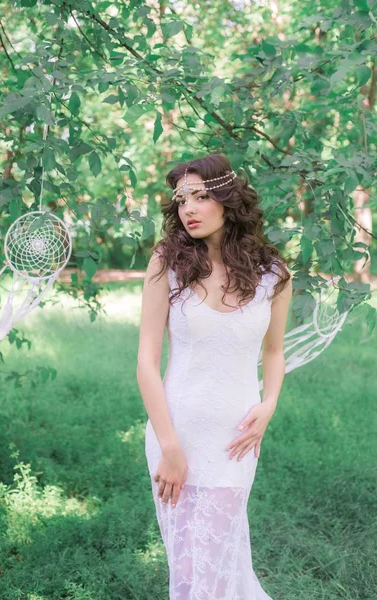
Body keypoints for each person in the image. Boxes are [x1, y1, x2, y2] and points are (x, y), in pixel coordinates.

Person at [136, 153, 292, 599]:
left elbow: (275, 351)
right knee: (188, 567)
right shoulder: (167, 262)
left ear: (228, 200)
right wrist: (170, 448)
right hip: (175, 433)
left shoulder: (274, 274)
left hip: (235, 441)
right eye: (182, 199)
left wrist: (270, 404)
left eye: (201, 196)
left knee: (216, 561)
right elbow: (146, 361)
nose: (189, 208)